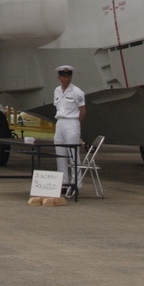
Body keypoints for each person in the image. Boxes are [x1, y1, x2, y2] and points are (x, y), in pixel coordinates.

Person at [52, 65, 86, 197]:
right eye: (64, 76)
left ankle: (76, 184)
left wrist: (76, 124)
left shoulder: (77, 92)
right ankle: (64, 183)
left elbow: (83, 111)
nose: (66, 78)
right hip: (60, 122)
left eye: (69, 76)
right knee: (60, 155)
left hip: (72, 122)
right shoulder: (57, 90)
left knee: (73, 156)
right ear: (59, 77)